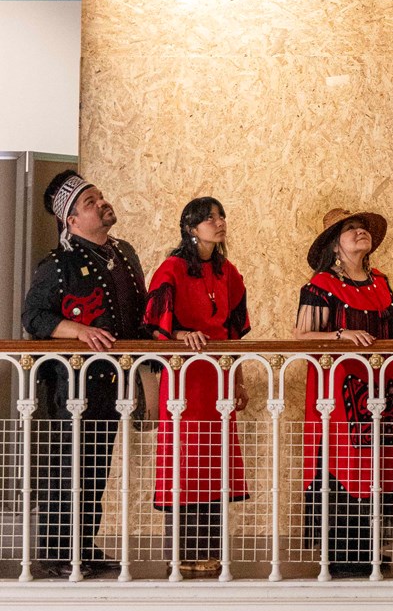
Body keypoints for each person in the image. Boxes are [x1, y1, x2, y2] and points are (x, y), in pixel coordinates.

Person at [20, 171, 146, 578]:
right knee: (66, 468)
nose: (102, 203)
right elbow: (34, 316)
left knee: (95, 469)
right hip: (72, 386)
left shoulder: (125, 253)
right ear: (71, 220)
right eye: (91, 201)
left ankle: (84, 547)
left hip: (114, 384)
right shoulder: (58, 263)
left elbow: (140, 315)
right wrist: (80, 331)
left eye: (101, 196)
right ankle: (58, 555)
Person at [296, 209, 393, 579]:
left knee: (384, 462)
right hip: (341, 390)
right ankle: (344, 551)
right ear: (335, 244)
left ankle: (374, 545)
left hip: (386, 388)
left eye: (362, 228)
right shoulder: (320, 285)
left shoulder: (382, 281)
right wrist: (339, 336)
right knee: (345, 465)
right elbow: (299, 338)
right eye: (350, 229)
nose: (360, 232)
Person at [142, 198, 250, 579]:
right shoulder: (171, 268)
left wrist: (237, 378)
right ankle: (179, 554)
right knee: (182, 463)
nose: (218, 223)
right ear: (191, 228)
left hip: (218, 377)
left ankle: (212, 552)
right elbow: (154, 324)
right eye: (209, 218)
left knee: (215, 463)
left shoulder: (229, 273)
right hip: (184, 376)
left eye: (221, 215)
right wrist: (181, 333)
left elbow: (234, 333)